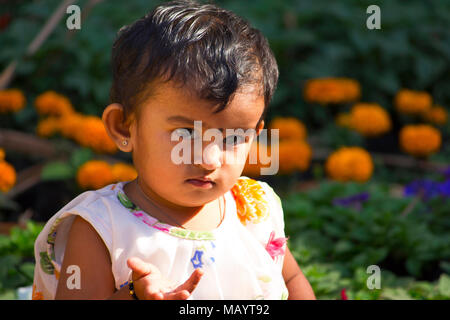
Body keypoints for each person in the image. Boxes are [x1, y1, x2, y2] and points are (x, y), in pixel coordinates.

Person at [32, 0, 316, 300]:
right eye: (185, 134)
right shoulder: (103, 229)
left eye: (233, 138)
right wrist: (133, 295)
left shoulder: (254, 211)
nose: (209, 160)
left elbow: (291, 277)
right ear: (124, 127)